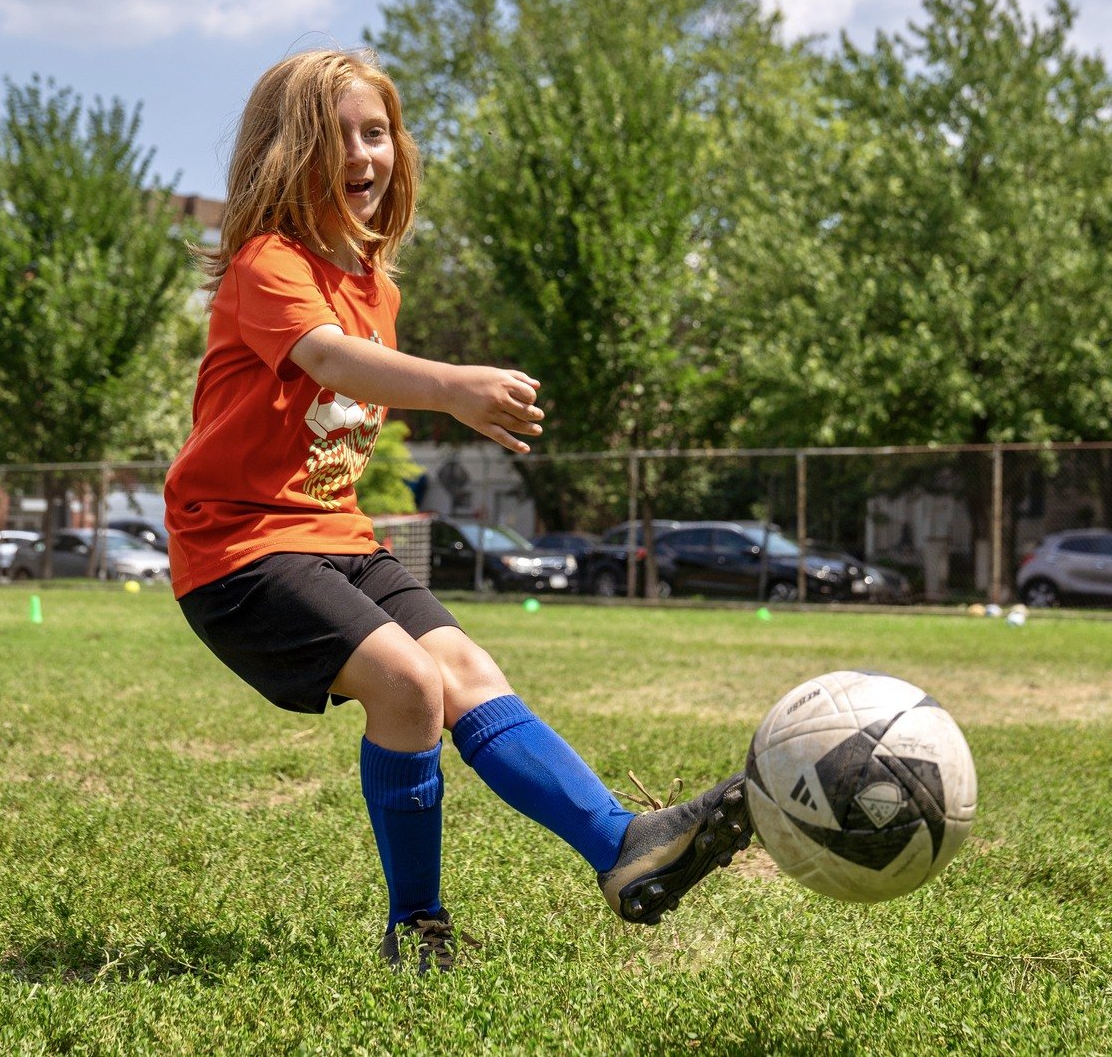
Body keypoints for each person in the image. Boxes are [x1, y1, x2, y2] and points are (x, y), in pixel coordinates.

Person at [165, 49, 751, 973]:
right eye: (339, 136)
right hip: (238, 550)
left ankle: (624, 843)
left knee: (466, 669)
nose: (366, 153)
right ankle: (420, 928)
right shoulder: (266, 265)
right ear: (288, 153)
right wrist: (455, 387)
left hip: (334, 540)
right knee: (408, 684)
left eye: (379, 131)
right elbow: (330, 360)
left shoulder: (379, 288)